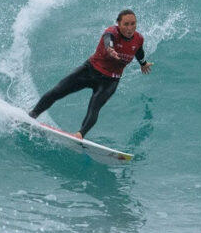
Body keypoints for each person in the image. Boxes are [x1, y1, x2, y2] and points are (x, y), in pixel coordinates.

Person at [28, 9, 154, 139]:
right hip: (89, 71)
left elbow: (138, 51)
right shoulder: (111, 32)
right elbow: (108, 40)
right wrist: (110, 49)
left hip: (110, 81)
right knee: (57, 91)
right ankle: (31, 116)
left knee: (95, 107)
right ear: (118, 24)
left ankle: (80, 134)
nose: (130, 28)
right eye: (126, 24)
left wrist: (143, 64)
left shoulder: (139, 38)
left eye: (133, 23)